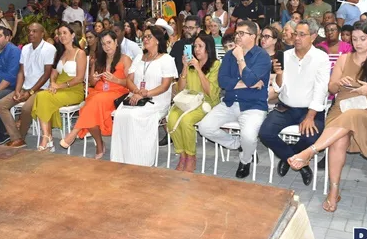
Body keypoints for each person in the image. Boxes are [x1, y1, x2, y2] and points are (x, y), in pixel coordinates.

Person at [288, 21, 367, 212]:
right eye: (354, 39)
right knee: (338, 140)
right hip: (342, 107)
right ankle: (333, 191)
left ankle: (311, 151)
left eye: (362, 39)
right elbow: (331, 88)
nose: (358, 43)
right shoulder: (344, 59)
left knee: (352, 115)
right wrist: (339, 84)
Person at [259, 19, 330, 185]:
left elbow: (321, 89)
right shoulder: (284, 55)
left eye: (302, 34)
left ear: (313, 36)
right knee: (265, 133)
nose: (296, 38)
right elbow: (277, 87)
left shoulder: (321, 58)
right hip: (285, 108)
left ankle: (287, 158)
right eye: (295, 34)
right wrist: (279, 73)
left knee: (312, 137)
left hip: (310, 110)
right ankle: (299, 163)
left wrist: (310, 116)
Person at [198, 20, 272, 178]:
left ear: (253, 36)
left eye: (241, 33)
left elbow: (251, 80)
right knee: (205, 128)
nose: (237, 36)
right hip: (229, 103)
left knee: (249, 136)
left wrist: (240, 59)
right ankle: (239, 145)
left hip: (253, 106)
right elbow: (222, 82)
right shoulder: (229, 55)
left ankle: (245, 159)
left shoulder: (262, 57)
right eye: (236, 33)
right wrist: (246, 83)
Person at [110, 26, 177, 166]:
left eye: (149, 37)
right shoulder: (139, 57)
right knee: (120, 114)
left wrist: (145, 94)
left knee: (135, 116)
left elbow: (165, 86)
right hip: (136, 97)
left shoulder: (167, 59)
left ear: (157, 40)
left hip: (157, 100)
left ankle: (140, 160)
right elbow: (129, 79)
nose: (145, 39)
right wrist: (136, 92)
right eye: (144, 37)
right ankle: (121, 158)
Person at [59, 30, 131, 158]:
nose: (106, 46)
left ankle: (74, 133)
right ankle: (99, 144)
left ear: (116, 42)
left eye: (109, 42)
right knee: (91, 105)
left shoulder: (125, 59)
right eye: (103, 44)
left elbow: (131, 82)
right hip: (98, 92)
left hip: (117, 93)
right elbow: (91, 81)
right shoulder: (98, 60)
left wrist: (116, 80)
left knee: (90, 105)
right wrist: (95, 78)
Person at [0, 23, 56, 148]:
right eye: (29, 31)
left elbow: (46, 75)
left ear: (42, 33)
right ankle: (16, 137)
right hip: (25, 87)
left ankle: (20, 138)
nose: (31, 34)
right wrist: (18, 90)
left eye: (34, 31)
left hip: (41, 90)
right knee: (0, 105)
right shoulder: (25, 48)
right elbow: (21, 72)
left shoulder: (49, 48)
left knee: (26, 108)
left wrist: (30, 92)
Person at [169, 33, 221, 172]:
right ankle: (182, 155)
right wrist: (185, 67)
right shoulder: (190, 63)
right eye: (195, 46)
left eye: (200, 46)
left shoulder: (215, 65)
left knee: (186, 120)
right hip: (188, 100)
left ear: (208, 48)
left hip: (206, 102)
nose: (196, 49)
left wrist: (198, 69)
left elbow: (210, 91)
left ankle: (191, 157)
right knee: (171, 118)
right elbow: (180, 88)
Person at [32, 23, 87, 151]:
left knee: (43, 97)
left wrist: (59, 85)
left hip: (74, 90)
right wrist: (52, 83)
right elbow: (54, 72)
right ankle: (47, 136)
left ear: (73, 35)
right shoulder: (60, 53)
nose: (61, 36)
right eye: (59, 33)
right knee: (41, 95)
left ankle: (47, 138)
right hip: (59, 88)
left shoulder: (80, 53)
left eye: (64, 33)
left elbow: (79, 78)